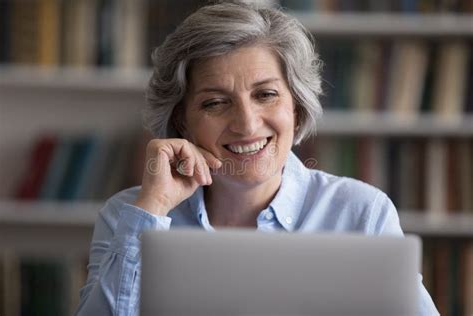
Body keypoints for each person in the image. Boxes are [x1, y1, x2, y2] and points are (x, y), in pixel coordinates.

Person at [76, 1, 439, 315]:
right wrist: (152, 209)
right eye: (215, 103)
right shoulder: (128, 216)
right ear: (181, 122)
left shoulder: (362, 215)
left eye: (265, 95)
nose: (247, 124)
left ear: (296, 108)